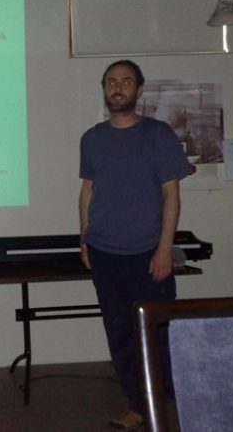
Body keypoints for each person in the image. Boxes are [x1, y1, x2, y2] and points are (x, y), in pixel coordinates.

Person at [78, 60, 192, 431]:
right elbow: (88, 191)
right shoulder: (92, 138)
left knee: (157, 334)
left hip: (148, 254)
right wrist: (84, 239)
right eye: (112, 81)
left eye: (126, 81)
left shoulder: (158, 135)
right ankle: (137, 405)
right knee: (120, 334)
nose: (118, 87)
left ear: (139, 90)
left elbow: (171, 195)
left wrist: (165, 249)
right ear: (104, 89)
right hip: (104, 254)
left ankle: (165, 404)